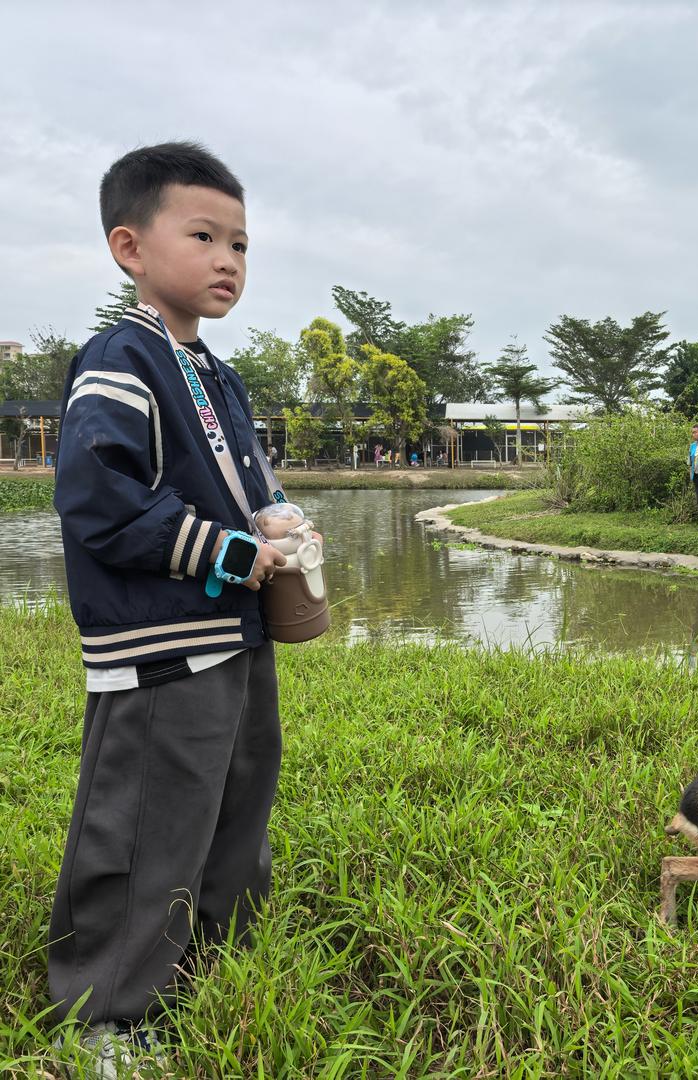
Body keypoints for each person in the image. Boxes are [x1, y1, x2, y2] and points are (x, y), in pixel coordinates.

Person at [48, 142, 289, 1076]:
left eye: (241, 243)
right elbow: (99, 498)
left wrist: (278, 524)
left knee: (236, 796)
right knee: (146, 815)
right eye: (203, 235)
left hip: (235, 627)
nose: (228, 258)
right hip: (161, 636)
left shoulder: (215, 374)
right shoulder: (120, 359)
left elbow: (243, 481)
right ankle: (107, 1011)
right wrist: (228, 550)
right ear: (129, 247)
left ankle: (211, 953)